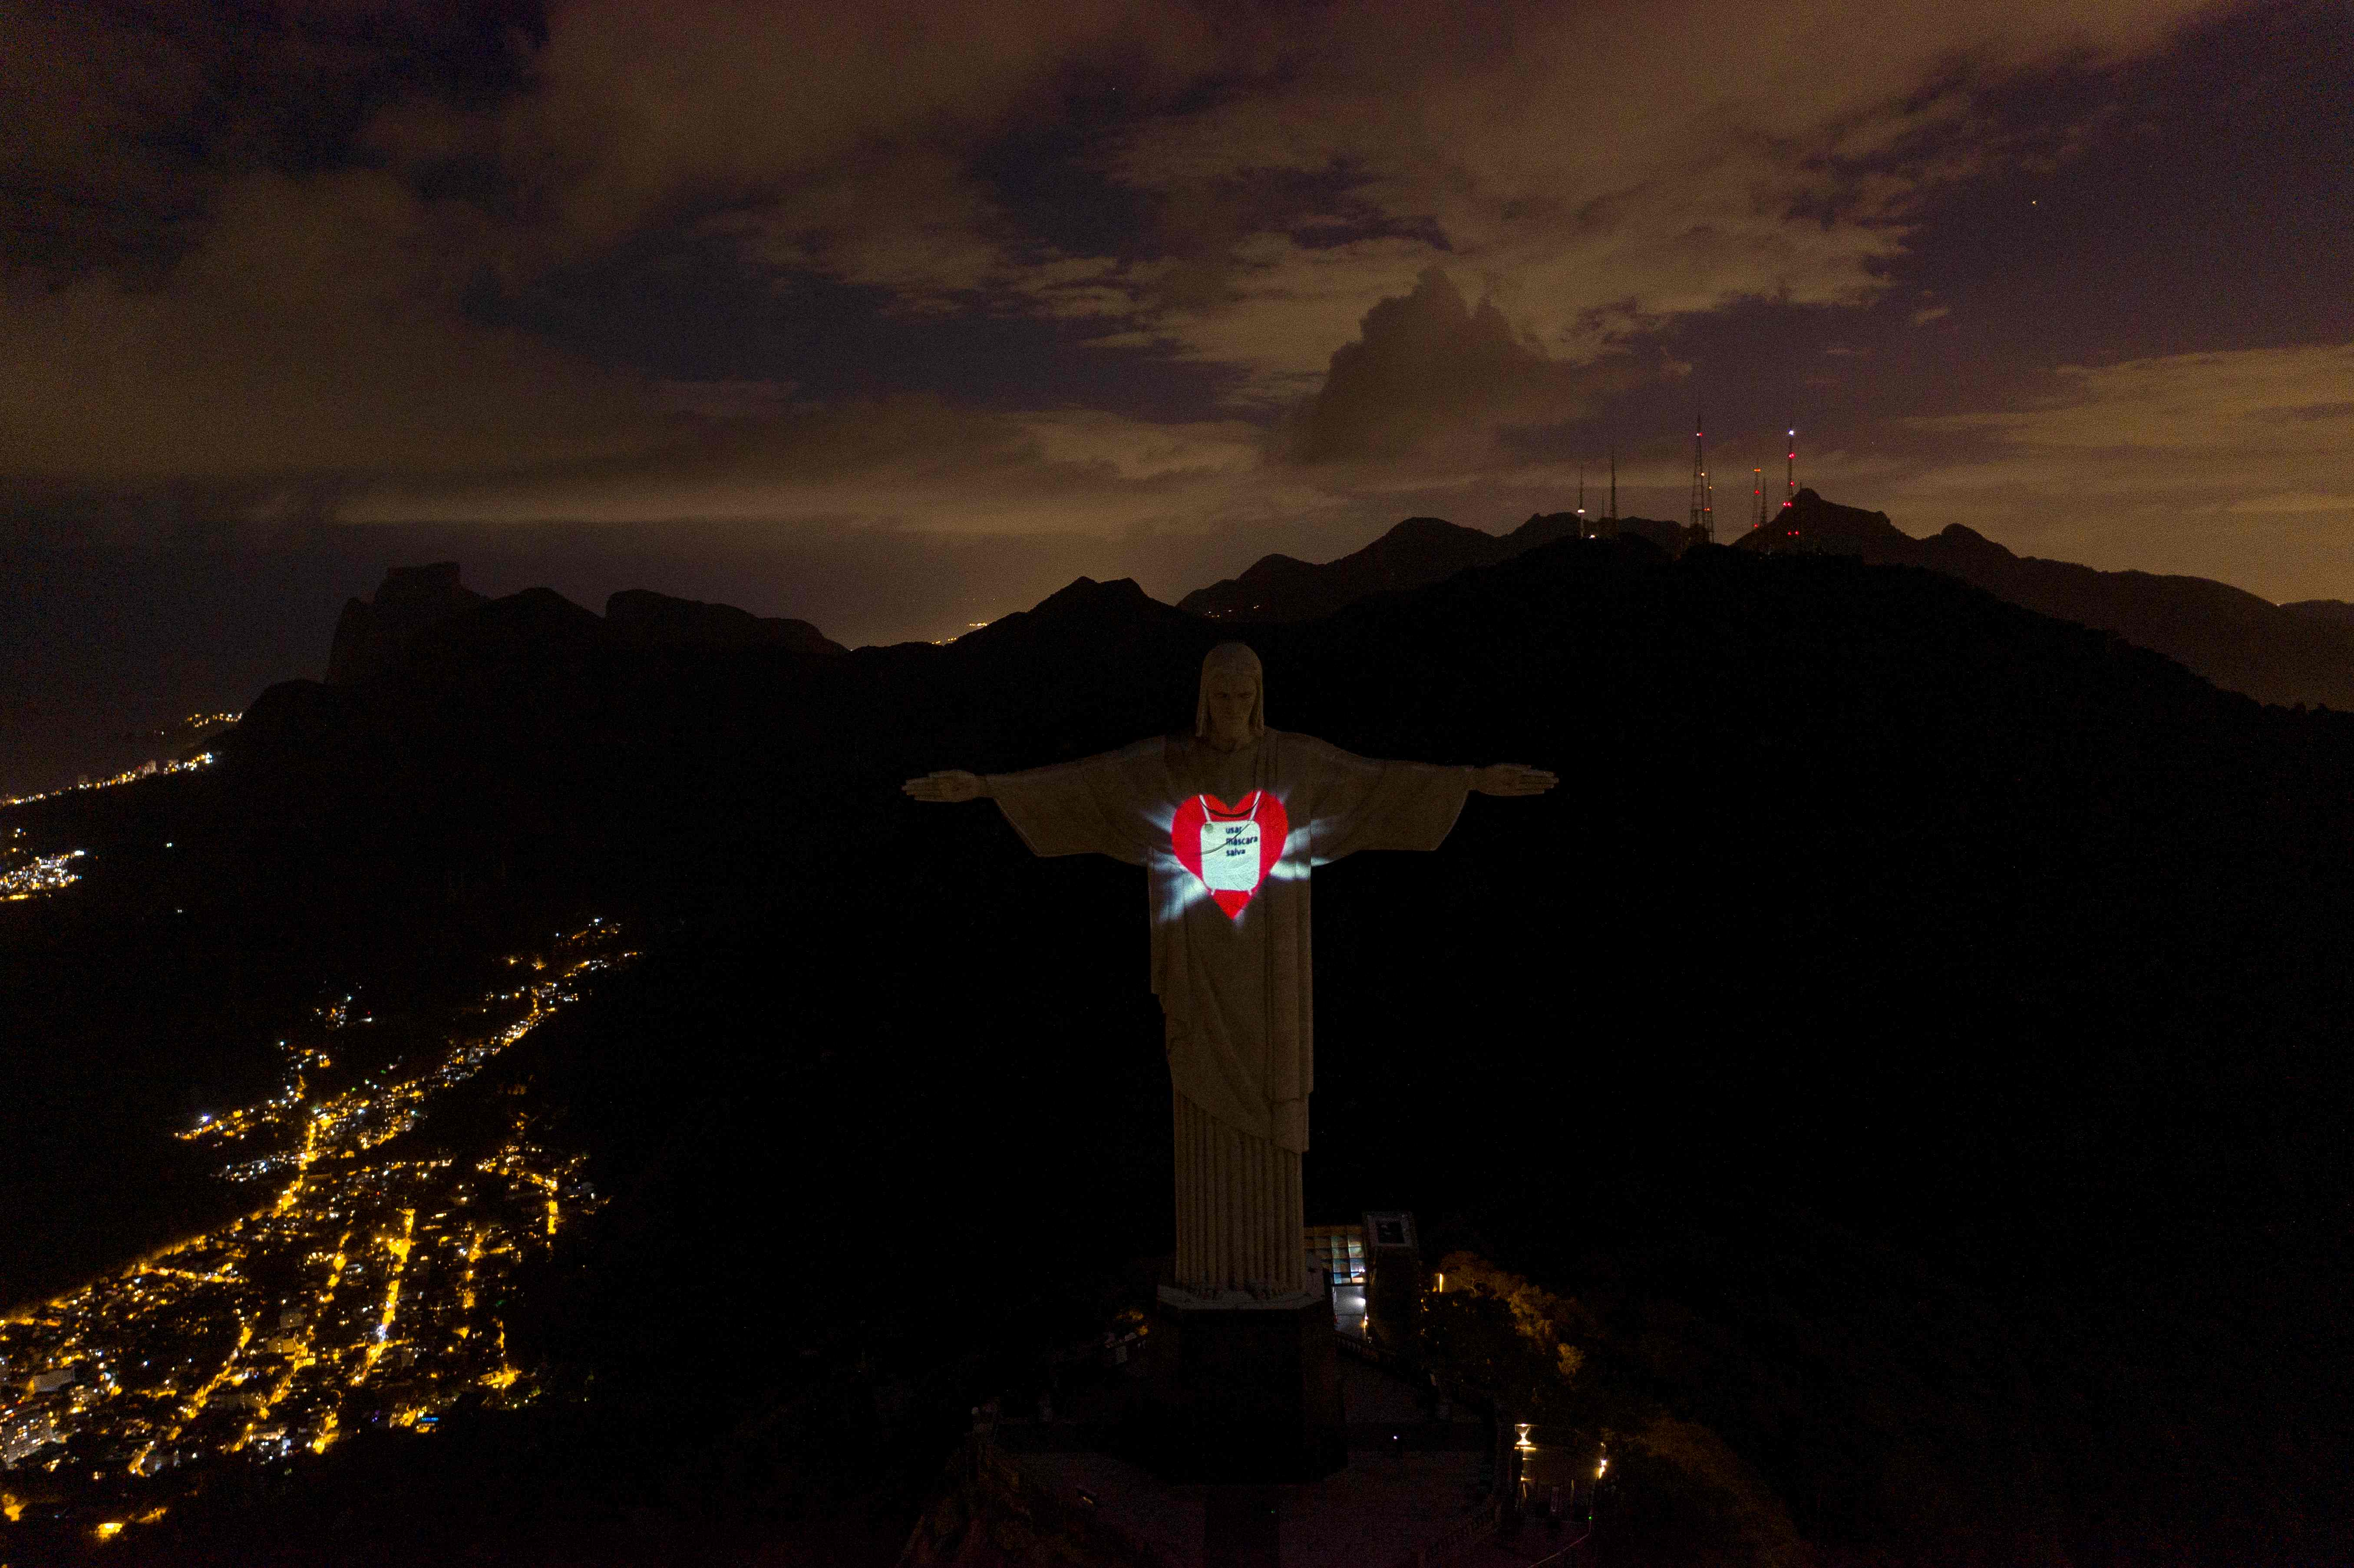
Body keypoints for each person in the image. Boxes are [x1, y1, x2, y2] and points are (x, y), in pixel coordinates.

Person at [905, 642, 1554, 1298]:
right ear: (1203, 697)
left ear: (1260, 696)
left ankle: (1269, 1273)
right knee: (1199, 1094)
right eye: (1222, 695)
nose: (1234, 708)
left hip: (1272, 969)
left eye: (1245, 695)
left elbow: (1376, 780)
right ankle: (1211, 1271)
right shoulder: (1171, 763)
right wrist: (988, 788)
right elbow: (1087, 781)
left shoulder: (1293, 761)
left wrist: (1469, 780)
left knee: (1271, 1096)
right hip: (1197, 958)